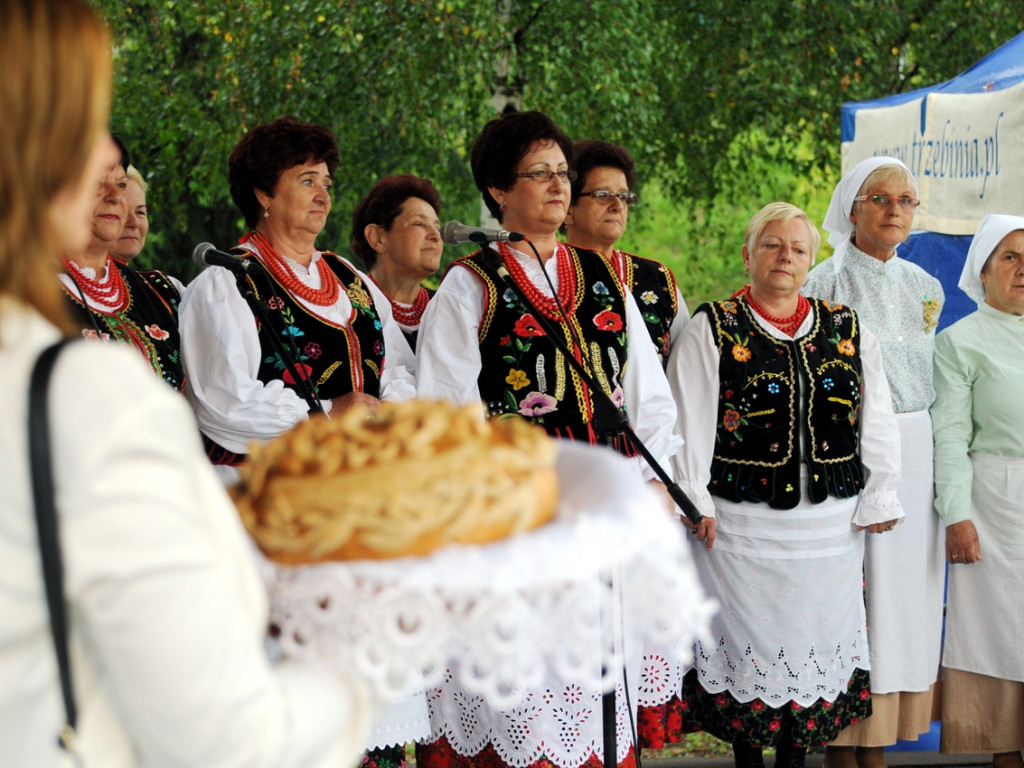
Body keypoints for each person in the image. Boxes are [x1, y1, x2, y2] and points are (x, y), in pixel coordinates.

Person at [0, 1, 373, 765]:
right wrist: (373, 649)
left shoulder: (148, 313)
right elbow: (227, 737)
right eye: (87, 118)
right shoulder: (86, 392)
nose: (113, 161)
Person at [416, 110, 681, 768]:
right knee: (527, 693)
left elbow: (649, 397)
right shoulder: (468, 282)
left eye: (563, 172)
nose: (558, 185)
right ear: (500, 192)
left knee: (595, 693)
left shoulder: (605, 279)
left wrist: (653, 486)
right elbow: (448, 413)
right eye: (539, 173)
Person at [665, 202, 903, 768]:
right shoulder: (712, 328)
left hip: (829, 525)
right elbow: (688, 418)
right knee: (746, 640)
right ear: (748, 256)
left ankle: (797, 756)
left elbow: (878, 415)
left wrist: (881, 491)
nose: (785, 257)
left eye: (797, 248)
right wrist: (693, 498)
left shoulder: (846, 328)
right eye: (772, 245)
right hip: (742, 522)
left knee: (814, 638)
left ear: (810, 261)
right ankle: (748, 755)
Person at [179, 116, 416, 482]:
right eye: (307, 181)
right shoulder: (226, 283)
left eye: (326, 184)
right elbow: (223, 401)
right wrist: (324, 412)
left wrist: (387, 415)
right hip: (274, 490)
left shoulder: (351, 279)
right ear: (264, 194)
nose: (323, 196)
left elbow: (401, 369)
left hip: (366, 481)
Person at [802, 157, 945, 766]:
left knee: (905, 597)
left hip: (919, 448)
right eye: (881, 199)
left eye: (906, 201)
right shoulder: (823, 283)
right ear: (852, 208)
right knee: (856, 593)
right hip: (850, 448)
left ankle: (884, 734)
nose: (894, 211)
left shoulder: (925, 288)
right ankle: (847, 741)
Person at [931, 214, 1024, 765]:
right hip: (995, 503)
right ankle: (1004, 752)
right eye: (1009, 257)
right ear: (983, 272)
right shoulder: (959, 342)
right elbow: (949, 436)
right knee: (999, 628)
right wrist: (956, 514)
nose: (1022, 269)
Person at [58, 139, 184, 392]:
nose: (116, 196)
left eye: (121, 184)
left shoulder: (160, 292)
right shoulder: (32, 291)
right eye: (97, 184)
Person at [564, 139, 688, 365]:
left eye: (623, 196)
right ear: (568, 209)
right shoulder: (544, 278)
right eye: (602, 195)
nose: (617, 205)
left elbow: (686, 371)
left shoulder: (658, 281)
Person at [351, 174, 443, 347]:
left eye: (437, 227)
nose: (436, 236)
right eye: (419, 224)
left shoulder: (446, 309)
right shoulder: (349, 309)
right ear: (378, 238)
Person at [110, 164, 149, 265]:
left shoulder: (153, 280)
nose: (134, 222)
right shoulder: (66, 279)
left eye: (140, 212)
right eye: (121, 211)